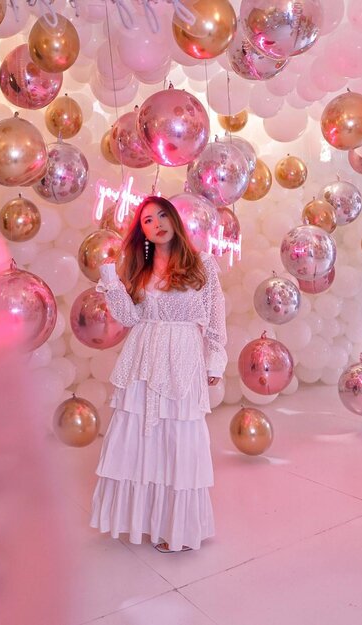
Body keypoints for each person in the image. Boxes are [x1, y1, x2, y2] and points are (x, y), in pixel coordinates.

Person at [90, 195, 227, 553]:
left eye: (162, 215)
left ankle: (177, 528)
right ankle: (143, 521)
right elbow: (132, 319)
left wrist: (215, 359)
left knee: (178, 436)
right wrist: (110, 279)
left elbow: (214, 318)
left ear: (175, 221)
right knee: (142, 436)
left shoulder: (202, 264)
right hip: (144, 357)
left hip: (182, 356)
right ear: (143, 232)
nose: (157, 224)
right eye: (148, 220)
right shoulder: (143, 271)